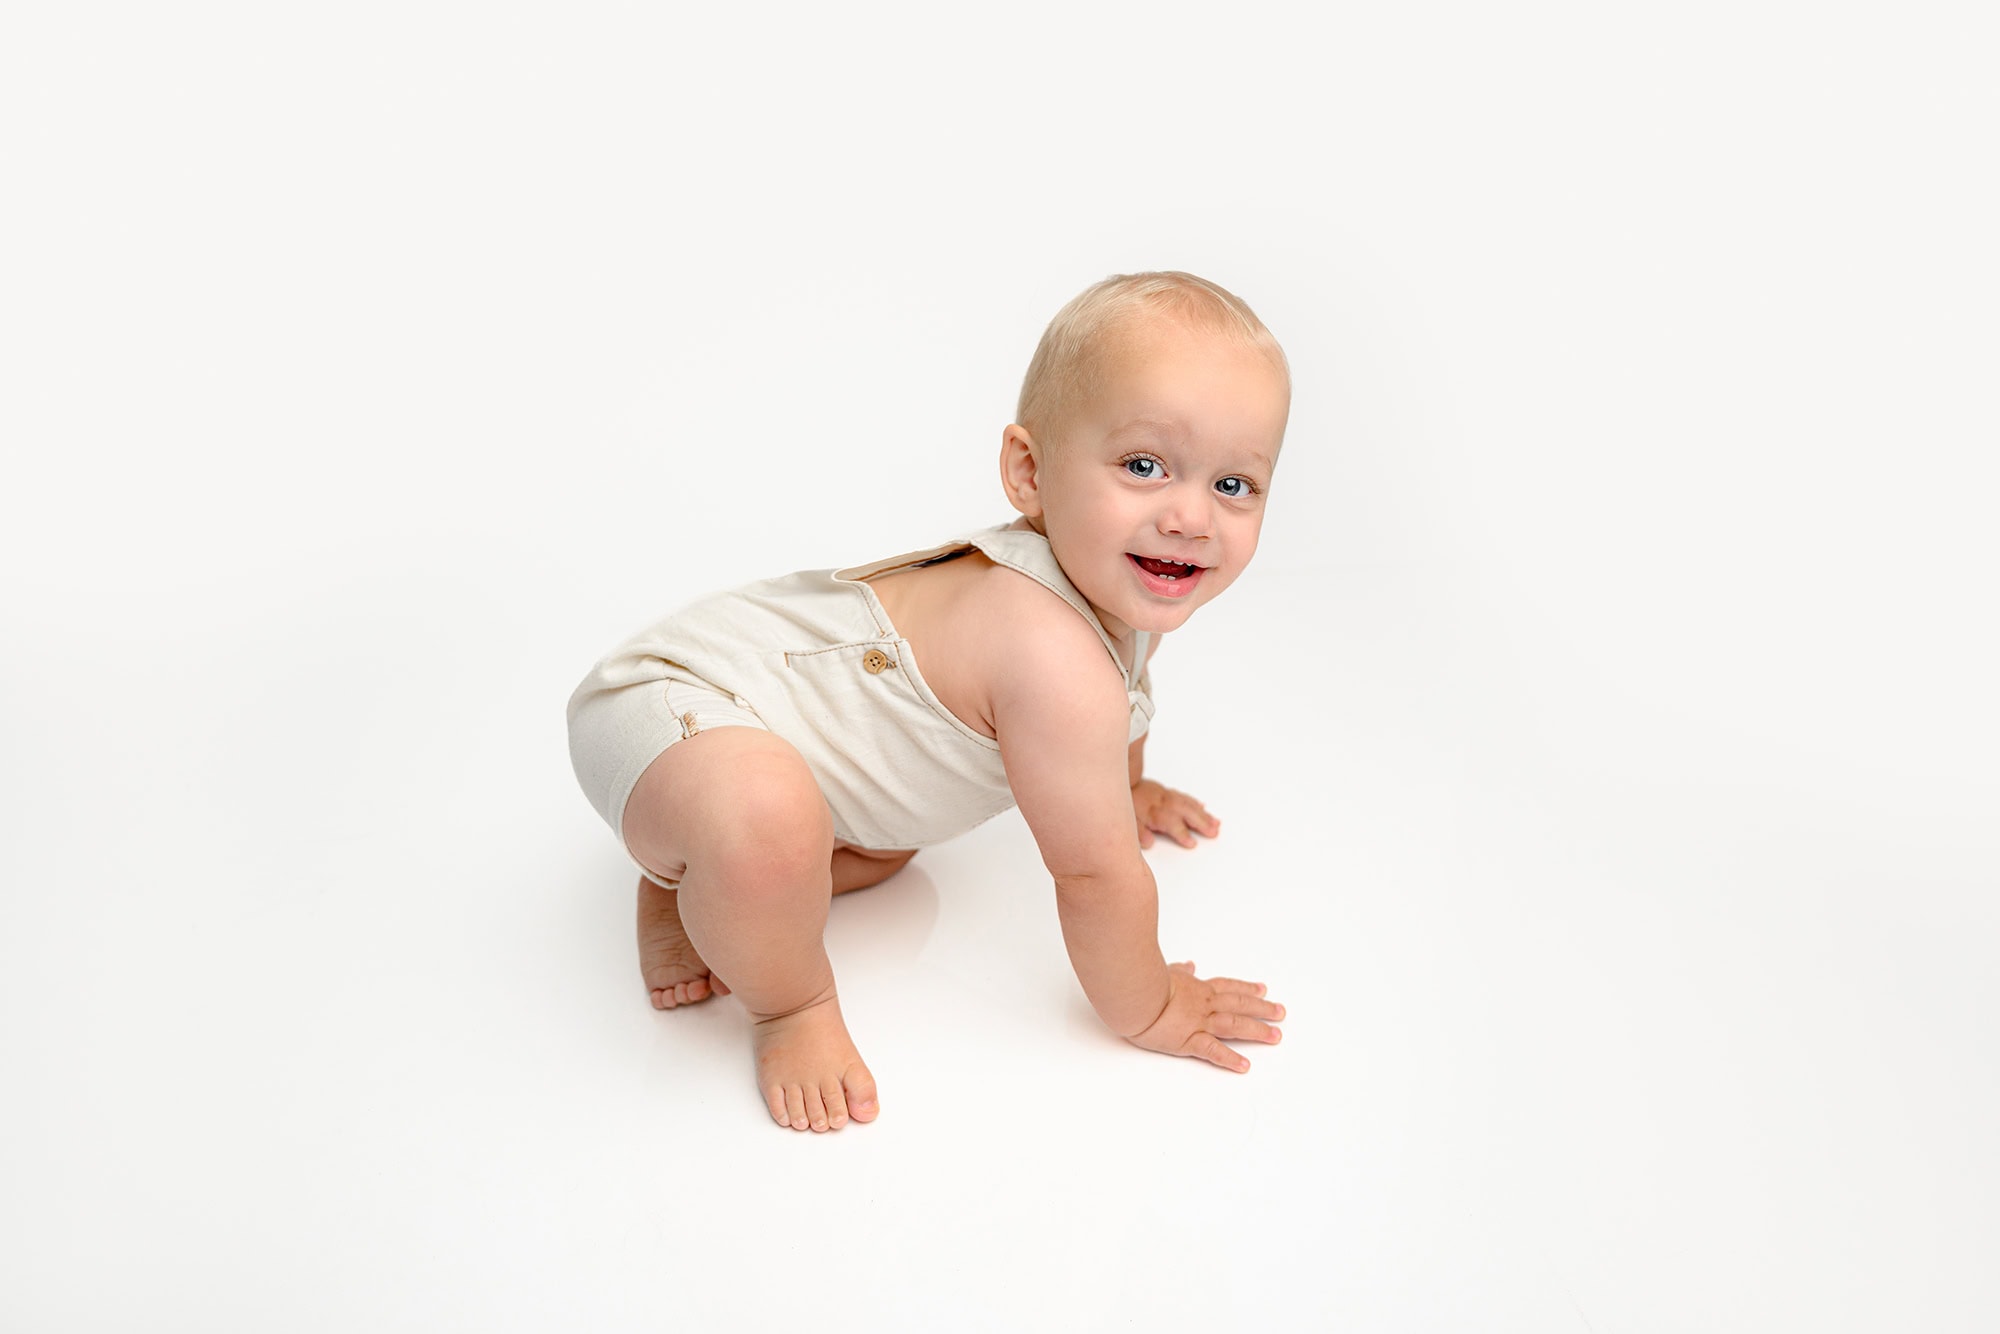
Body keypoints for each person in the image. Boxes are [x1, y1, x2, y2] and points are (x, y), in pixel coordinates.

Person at [565, 270, 1292, 1132]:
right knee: (766, 824)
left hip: (748, 747)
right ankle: (787, 1004)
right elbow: (1096, 877)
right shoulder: (1047, 648)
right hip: (665, 703)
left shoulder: (1115, 586)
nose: (1191, 517)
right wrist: (1153, 1005)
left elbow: (1122, 691)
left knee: (881, 854)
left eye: (1233, 485)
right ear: (1029, 472)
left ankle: (696, 887)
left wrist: (1122, 787)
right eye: (1144, 466)